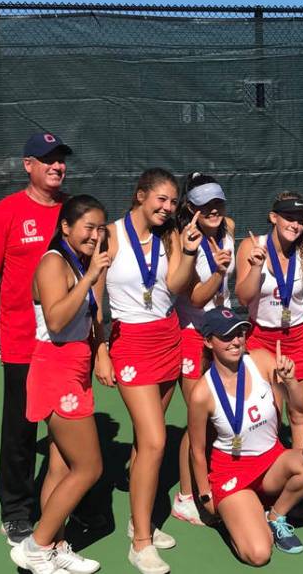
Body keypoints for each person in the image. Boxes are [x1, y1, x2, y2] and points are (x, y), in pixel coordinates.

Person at [94, 168, 203, 574]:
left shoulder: (170, 236)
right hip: (130, 343)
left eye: (173, 202)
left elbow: (174, 285)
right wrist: (101, 349)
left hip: (167, 338)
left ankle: (140, 522)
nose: (167, 207)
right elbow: (95, 294)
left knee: (145, 442)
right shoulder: (110, 234)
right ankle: (141, 544)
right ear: (140, 195)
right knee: (156, 440)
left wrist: (189, 250)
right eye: (161, 199)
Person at [0, 131, 72, 546]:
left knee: (68, 421)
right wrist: (9, 309)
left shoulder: (74, 211)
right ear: (27, 164)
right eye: (47, 159)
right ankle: (16, 509)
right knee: (21, 427)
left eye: (61, 159)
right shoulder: (5, 213)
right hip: (22, 340)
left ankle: (66, 498)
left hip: (67, 338)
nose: (56, 166)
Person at [10, 195, 108, 574]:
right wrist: (89, 278)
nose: (96, 235)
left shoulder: (80, 262)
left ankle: (55, 545)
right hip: (56, 368)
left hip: (76, 366)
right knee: (89, 467)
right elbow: (54, 320)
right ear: (66, 227)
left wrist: (101, 352)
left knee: (61, 467)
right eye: (89, 227)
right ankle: (35, 545)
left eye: (101, 228)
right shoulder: (54, 262)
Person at [188, 308, 303, 565]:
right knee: (259, 554)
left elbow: (302, 409)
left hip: (272, 463)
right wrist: (206, 495)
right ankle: (240, 516)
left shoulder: (261, 360)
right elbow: (196, 448)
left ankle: (275, 516)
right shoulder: (201, 393)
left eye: (239, 333)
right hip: (233, 475)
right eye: (226, 336)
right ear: (208, 341)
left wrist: (292, 381)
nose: (236, 341)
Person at [235, 192, 303, 447]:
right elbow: (243, 298)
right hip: (262, 338)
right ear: (273, 217)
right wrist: (256, 266)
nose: (294, 225)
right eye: (288, 217)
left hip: (300, 337)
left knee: (300, 412)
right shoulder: (252, 246)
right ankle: (270, 473)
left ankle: (302, 475)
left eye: (300, 220)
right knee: (269, 412)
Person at [171, 173, 237, 525]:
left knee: (221, 413)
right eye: (204, 204)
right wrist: (218, 272)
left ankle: (216, 481)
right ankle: (184, 497)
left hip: (223, 331)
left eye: (218, 202)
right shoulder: (187, 240)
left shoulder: (228, 228)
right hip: (193, 336)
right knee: (197, 420)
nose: (213, 210)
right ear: (190, 208)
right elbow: (195, 297)